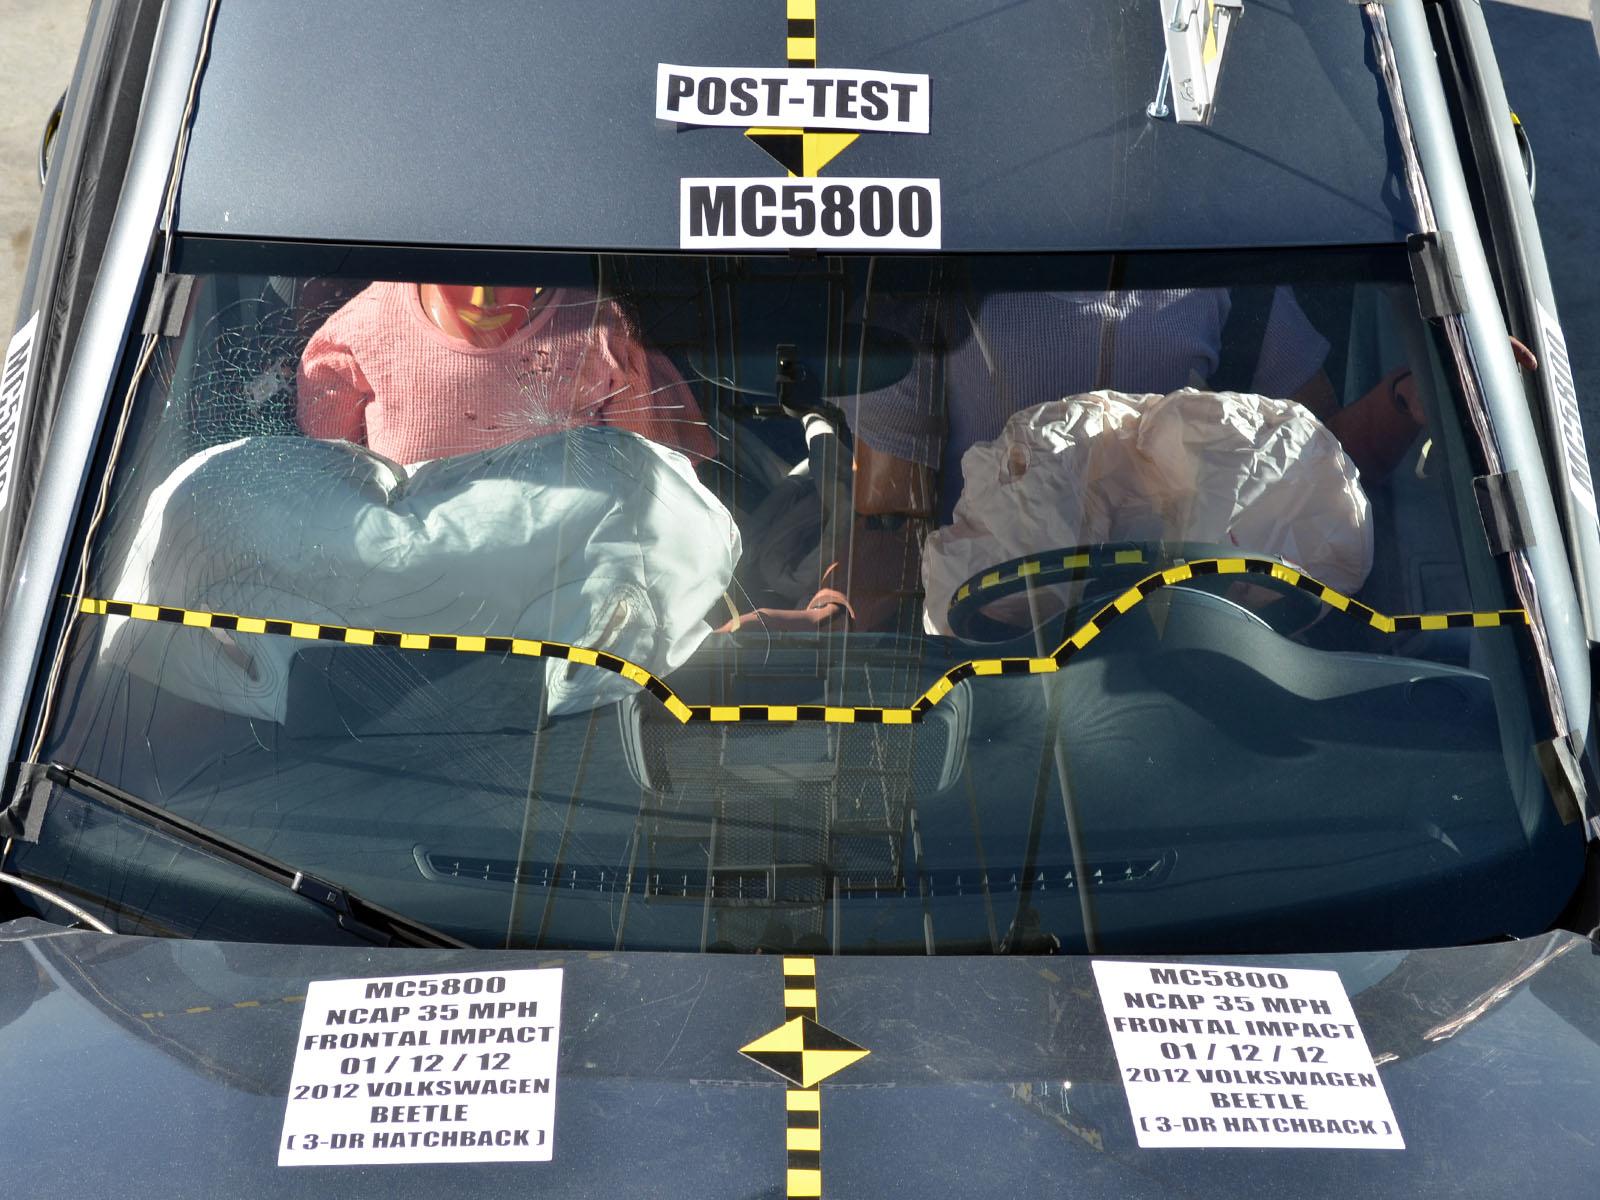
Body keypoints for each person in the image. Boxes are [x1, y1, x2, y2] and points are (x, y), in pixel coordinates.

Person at [296, 282, 716, 464]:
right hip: (407, 610)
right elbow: (331, 506)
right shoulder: (354, 339)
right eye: (460, 275)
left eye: (505, 273)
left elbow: (663, 496)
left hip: (566, 607)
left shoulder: (599, 330)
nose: (484, 298)